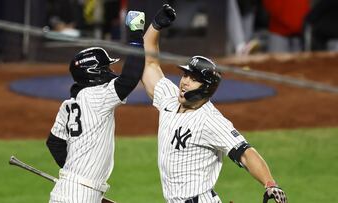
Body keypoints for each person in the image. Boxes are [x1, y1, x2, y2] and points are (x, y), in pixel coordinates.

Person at [142, 4, 288, 203]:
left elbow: (245, 152)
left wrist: (270, 183)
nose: (184, 81)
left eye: (192, 78)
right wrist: (155, 26)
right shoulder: (169, 98)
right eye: (185, 74)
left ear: (206, 87)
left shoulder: (209, 120)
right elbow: (149, 63)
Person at [45, 10, 145, 203]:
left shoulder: (69, 104)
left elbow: (54, 142)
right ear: (95, 72)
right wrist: (135, 36)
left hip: (65, 191)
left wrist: (74, 174)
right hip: (80, 195)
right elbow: (129, 79)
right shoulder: (96, 96)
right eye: (107, 68)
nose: (111, 71)